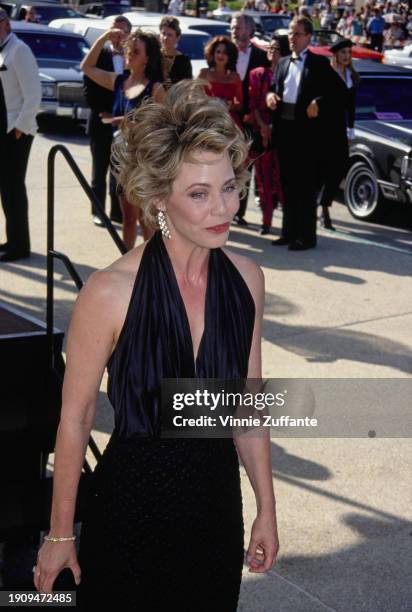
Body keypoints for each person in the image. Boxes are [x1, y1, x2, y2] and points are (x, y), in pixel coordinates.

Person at [33, 80, 280, 610]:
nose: (224, 208)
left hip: (215, 512)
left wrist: (267, 507)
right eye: (199, 193)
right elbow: (74, 420)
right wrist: (59, 535)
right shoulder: (109, 292)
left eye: (229, 186)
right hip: (129, 511)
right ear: (159, 197)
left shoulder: (247, 281)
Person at [80, 29, 166, 250]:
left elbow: (168, 127)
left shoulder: (155, 89)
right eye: (129, 49)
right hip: (121, 161)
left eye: (136, 51)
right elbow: (86, 67)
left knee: (147, 221)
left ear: (147, 59)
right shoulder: (119, 81)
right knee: (128, 220)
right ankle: (127, 268)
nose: (129, 54)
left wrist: (129, 122)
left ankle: (152, 270)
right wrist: (104, 37)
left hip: (145, 163)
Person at [266, 16, 346, 250]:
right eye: (290, 33)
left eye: (297, 34)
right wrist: (270, 96)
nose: (292, 38)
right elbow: (274, 88)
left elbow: (339, 93)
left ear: (308, 37)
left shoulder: (318, 64)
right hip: (285, 130)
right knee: (287, 184)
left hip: (307, 135)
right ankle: (289, 232)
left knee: (305, 186)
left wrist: (319, 102)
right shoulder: (282, 63)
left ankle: (306, 237)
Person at [0, 8, 41, 262]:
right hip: (3, 130)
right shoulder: (4, 50)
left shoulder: (19, 50)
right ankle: (11, 240)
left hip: (16, 132)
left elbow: (33, 94)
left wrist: (20, 127)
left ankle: (19, 246)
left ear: (5, 23)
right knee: (6, 189)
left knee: (14, 189)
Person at [83, 15, 132, 228]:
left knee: (119, 172)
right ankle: (98, 211)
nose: (117, 36)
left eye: (122, 32)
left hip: (124, 124)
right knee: (99, 170)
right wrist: (105, 112)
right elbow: (89, 88)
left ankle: (117, 212)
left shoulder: (134, 59)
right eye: (114, 31)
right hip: (101, 120)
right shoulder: (99, 55)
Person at [230, 12, 270, 226]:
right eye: (233, 26)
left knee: (246, 167)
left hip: (250, 120)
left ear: (249, 30)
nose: (234, 30)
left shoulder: (261, 57)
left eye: (238, 27)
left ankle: (239, 211)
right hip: (227, 119)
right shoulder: (223, 51)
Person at [317, 38, 359, 230]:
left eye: (349, 53)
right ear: (335, 55)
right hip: (324, 127)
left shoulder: (351, 76)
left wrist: (351, 129)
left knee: (341, 166)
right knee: (323, 168)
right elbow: (318, 98)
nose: (346, 56)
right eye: (343, 53)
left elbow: (351, 106)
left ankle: (324, 202)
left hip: (340, 128)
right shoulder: (327, 74)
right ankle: (322, 209)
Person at [248, 36, 286, 235]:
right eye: (270, 48)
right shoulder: (258, 74)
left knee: (280, 179)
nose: (272, 51)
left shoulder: (288, 74)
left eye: (277, 48)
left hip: (283, 132)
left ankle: (287, 224)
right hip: (261, 130)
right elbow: (253, 104)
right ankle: (266, 221)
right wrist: (263, 127)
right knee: (262, 179)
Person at [198, 35, 243, 129]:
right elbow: (192, 97)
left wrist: (231, 106)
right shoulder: (204, 73)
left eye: (225, 53)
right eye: (218, 52)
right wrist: (208, 103)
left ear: (230, 56)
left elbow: (240, 103)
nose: (221, 55)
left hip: (229, 121)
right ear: (212, 53)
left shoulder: (235, 76)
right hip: (207, 121)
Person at [159, 16, 192, 90]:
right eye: (163, 34)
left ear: (177, 38)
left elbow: (186, 87)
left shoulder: (183, 61)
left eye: (169, 35)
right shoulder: (153, 56)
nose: (165, 38)